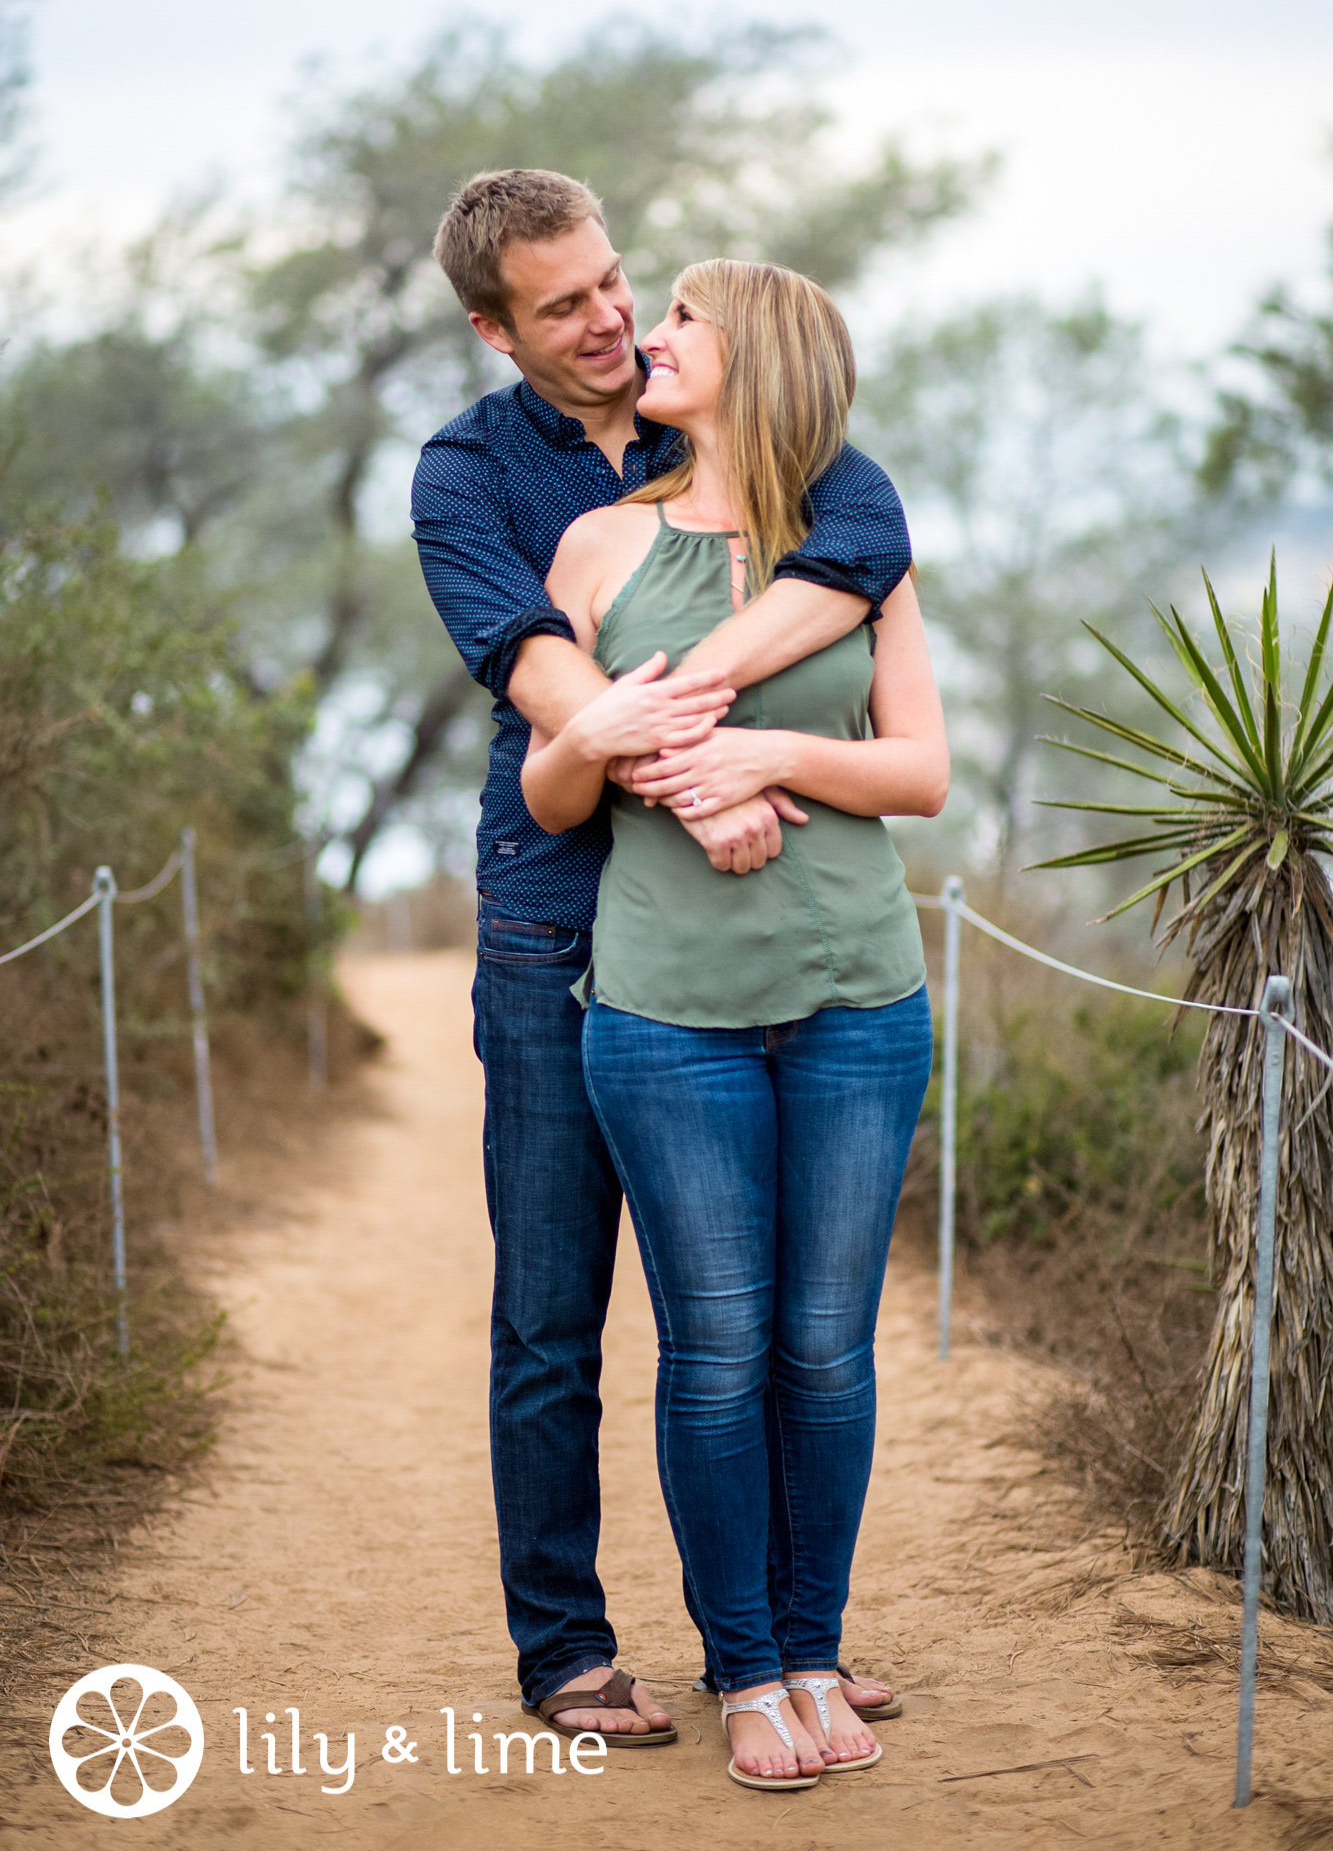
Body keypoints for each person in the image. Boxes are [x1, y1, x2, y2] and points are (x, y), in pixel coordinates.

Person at [412, 169, 916, 1742]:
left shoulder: (782, 454)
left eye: (618, 284)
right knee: (558, 1313)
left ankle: (778, 1644)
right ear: (496, 330)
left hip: (767, 926)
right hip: (557, 920)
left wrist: (718, 749)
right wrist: (689, 779)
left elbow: (870, 550)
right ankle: (565, 1647)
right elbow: (550, 680)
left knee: (782, 1332)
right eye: (564, 307)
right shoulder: (472, 478)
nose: (613, 321)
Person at [521, 258, 946, 1791]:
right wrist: (604, 740)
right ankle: (749, 1671)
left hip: (859, 1000)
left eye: (683, 320)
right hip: (663, 1014)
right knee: (715, 1352)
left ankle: (817, 1650)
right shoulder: (596, 545)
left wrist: (759, 751)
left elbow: (918, 777)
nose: (650, 335)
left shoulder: (858, 559)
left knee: (824, 1351)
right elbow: (549, 790)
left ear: (753, 359)